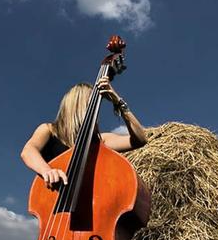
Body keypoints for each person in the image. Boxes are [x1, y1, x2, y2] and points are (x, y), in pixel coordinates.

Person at [20, 75, 148, 188]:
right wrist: (47, 170)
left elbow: (139, 140)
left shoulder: (100, 141)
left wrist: (118, 101)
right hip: (53, 206)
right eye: (91, 105)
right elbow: (28, 151)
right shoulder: (49, 130)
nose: (96, 112)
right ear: (77, 105)